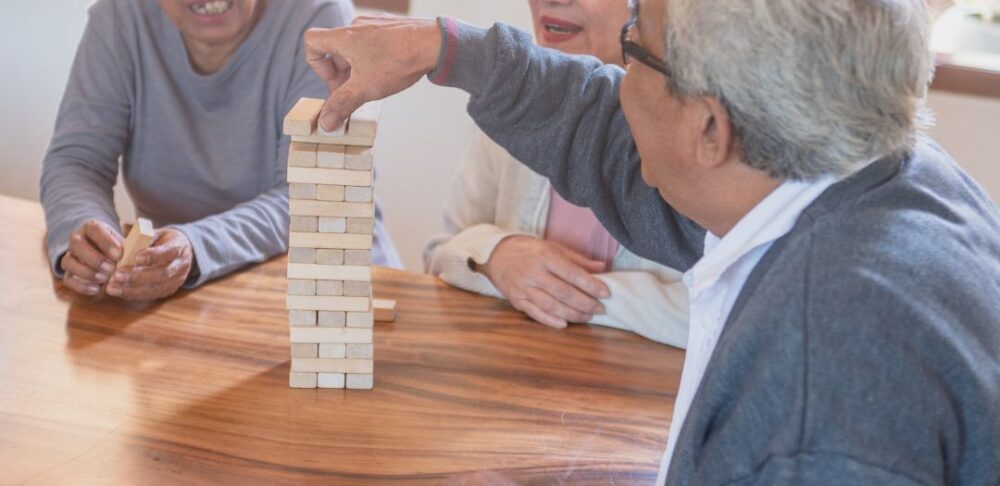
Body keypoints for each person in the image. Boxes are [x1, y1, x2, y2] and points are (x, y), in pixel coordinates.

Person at [301, 0, 1000, 484]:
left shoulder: (823, 380)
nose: (614, 78)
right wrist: (446, 49)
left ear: (710, 131)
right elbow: (602, 136)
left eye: (634, 47)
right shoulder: (862, 172)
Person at [41, 0, 402, 302]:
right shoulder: (120, 15)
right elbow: (77, 160)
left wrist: (196, 246)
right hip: (182, 296)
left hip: (328, 291)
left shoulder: (317, 16)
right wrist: (87, 238)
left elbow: (313, 197)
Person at [424, 0, 687, 346]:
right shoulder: (511, 111)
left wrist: (552, 289)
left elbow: (718, 314)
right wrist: (496, 255)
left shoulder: (698, 130)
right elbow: (440, 254)